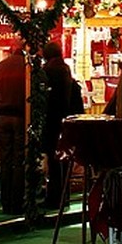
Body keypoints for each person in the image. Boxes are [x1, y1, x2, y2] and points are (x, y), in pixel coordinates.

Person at [41, 41, 83, 209]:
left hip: (52, 122)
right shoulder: (66, 71)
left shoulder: (48, 72)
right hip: (66, 122)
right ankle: (63, 196)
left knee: (53, 160)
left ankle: (54, 197)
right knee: (63, 161)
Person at [0, 44, 27, 214]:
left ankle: (5, 202)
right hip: (20, 117)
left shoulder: (1, 65)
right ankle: (17, 203)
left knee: (5, 160)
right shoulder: (27, 67)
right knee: (19, 161)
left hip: (3, 117)